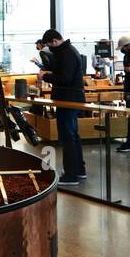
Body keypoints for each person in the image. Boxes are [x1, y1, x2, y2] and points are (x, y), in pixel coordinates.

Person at [39, 28, 86, 185]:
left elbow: (64, 78)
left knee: (68, 136)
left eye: (49, 45)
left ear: (55, 41)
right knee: (73, 135)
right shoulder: (67, 51)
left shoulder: (67, 53)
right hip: (69, 99)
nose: (49, 48)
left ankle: (71, 175)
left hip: (68, 99)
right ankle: (79, 170)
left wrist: (45, 75)